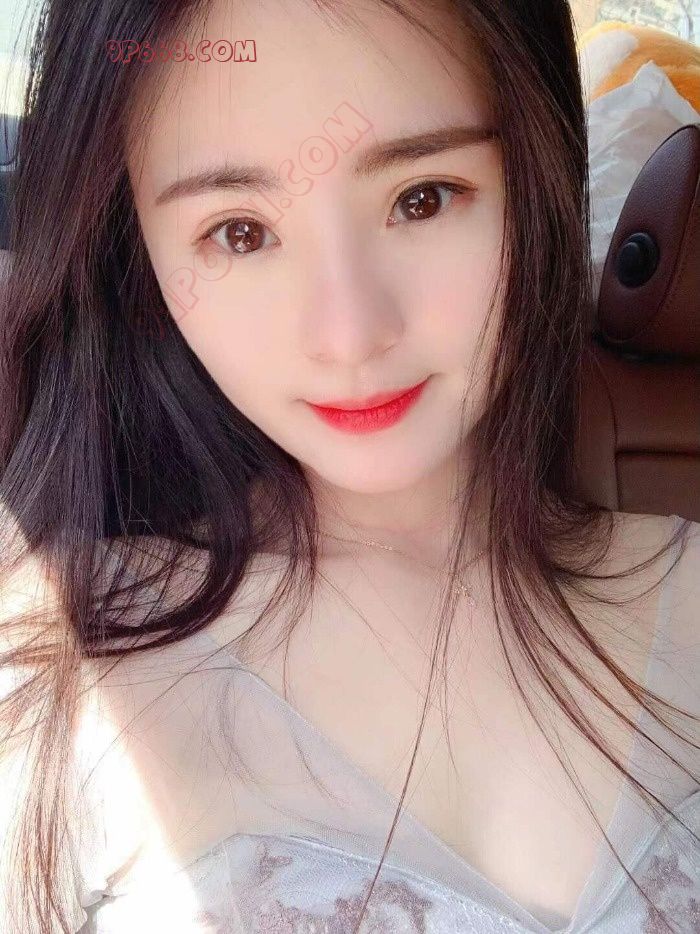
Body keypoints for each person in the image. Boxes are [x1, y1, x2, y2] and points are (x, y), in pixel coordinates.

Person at [0, 0, 697, 931]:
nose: (351, 334)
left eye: (423, 197)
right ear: (143, 260)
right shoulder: (58, 657)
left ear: (536, 178)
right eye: (239, 232)